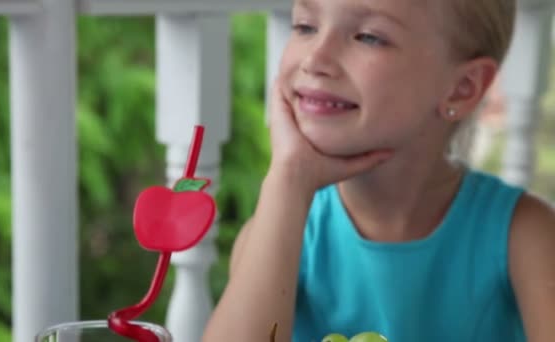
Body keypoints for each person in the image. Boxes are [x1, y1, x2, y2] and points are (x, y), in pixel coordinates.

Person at [202, 0, 555, 340]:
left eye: (369, 36)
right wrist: (289, 175)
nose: (315, 59)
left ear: (462, 88)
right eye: (305, 26)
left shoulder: (525, 237)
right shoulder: (282, 227)